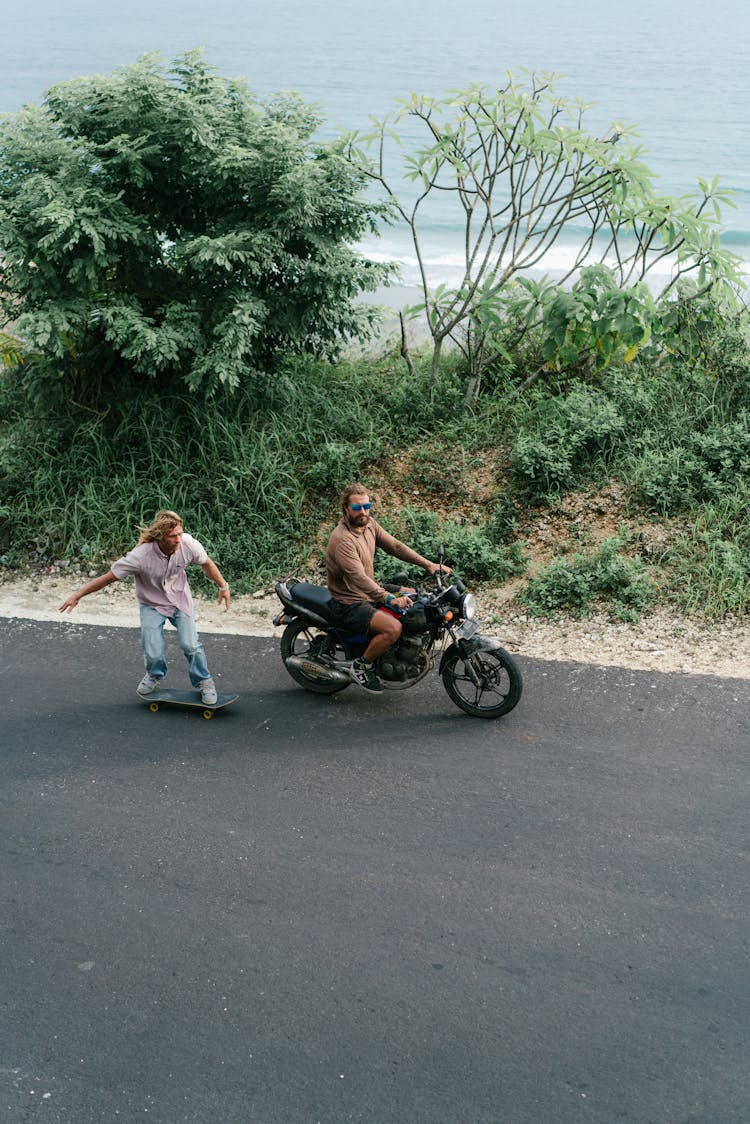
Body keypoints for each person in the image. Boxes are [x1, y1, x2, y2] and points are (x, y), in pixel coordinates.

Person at [59, 510, 230, 705]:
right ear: (160, 537)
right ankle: (154, 674)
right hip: (151, 603)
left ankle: (204, 682)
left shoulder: (188, 544)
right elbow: (108, 578)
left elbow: (206, 563)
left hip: (180, 599)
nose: (178, 539)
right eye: (173, 536)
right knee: (153, 651)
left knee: (190, 645)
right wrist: (78, 595)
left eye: (180, 534)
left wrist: (223, 586)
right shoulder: (140, 556)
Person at [326, 483, 450, 692]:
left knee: (421, 595)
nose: (363, 512)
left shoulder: (369, 525)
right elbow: (358, 579)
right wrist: (390, 598)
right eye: (357, 508)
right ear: (346, 508)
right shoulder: (343, 541)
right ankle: (361, 666)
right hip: (350, 601)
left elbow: (395, 546)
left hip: (369, 590)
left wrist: (428, 564)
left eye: (367, 506)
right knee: (393, 627)